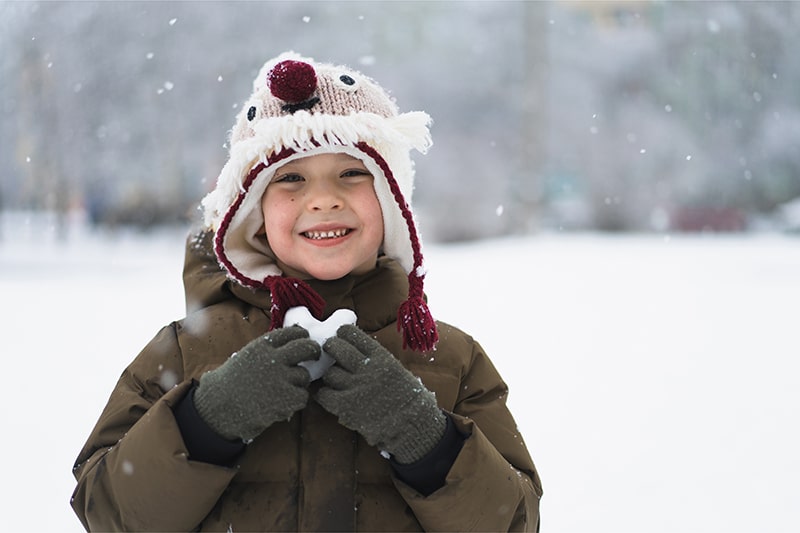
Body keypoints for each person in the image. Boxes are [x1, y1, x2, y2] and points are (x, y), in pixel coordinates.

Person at [71, 51, 543, 531]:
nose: (323, 198)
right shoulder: (184, 350)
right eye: (290, 178)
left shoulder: (452, 358)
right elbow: (107, 512)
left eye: (352, 173)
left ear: (391, 199)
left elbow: (515, 523)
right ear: (252, 212)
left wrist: (424, 437)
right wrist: (205, 422)